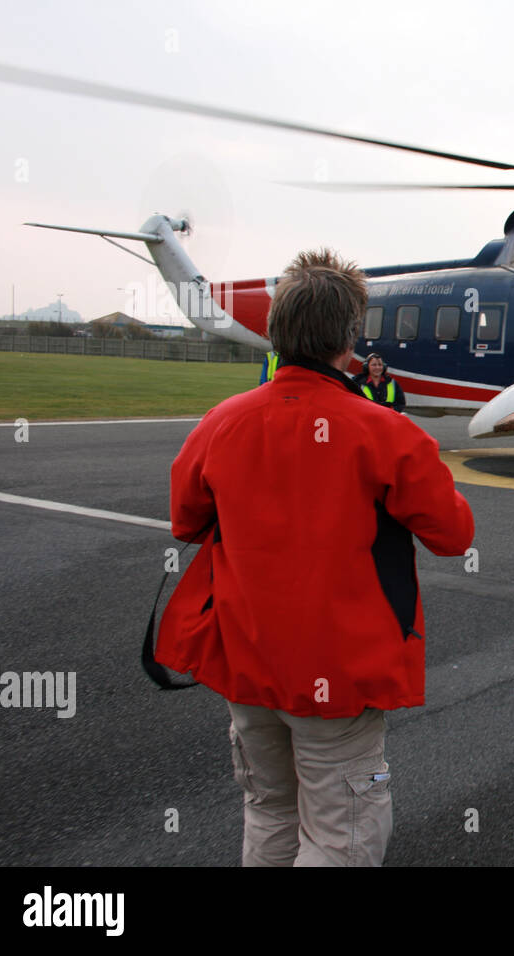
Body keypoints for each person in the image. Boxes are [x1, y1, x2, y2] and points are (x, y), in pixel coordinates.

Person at [157, 248, 475, 866]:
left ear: (276, 331)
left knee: (269, 813)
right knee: (343, 834)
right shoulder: (385, 430)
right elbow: (453, 533)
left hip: (247, 664)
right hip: (340, 672)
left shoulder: (221, 422)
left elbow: (185, 521)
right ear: (349, 338)